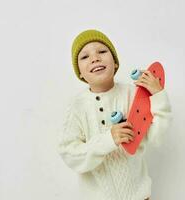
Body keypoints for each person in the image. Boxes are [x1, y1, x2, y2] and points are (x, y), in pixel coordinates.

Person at [57, 29, 173, 200]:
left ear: (115, 63)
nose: (95, 58)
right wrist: (108, 140)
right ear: (80, 73)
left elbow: (157, 137)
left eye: (102, 51)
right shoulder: (78, 106)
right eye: (84, 57)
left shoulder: (133, 95)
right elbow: (68, 153)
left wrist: (157, 96)